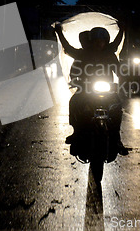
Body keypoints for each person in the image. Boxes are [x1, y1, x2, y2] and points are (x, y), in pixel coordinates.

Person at [54, 22, 128, 155]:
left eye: (102, 41)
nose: (99, 44)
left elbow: (119, 70)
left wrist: (123, 80)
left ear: (106, 42)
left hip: (107, 89)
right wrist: (59, 33)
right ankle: (76, 132)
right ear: (91, 41)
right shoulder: (82, 54)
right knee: (74, 102)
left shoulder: (110, 54)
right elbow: (67, 48)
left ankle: (117, 139)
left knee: (117, 107)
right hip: (85, 88)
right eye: (96, 41)